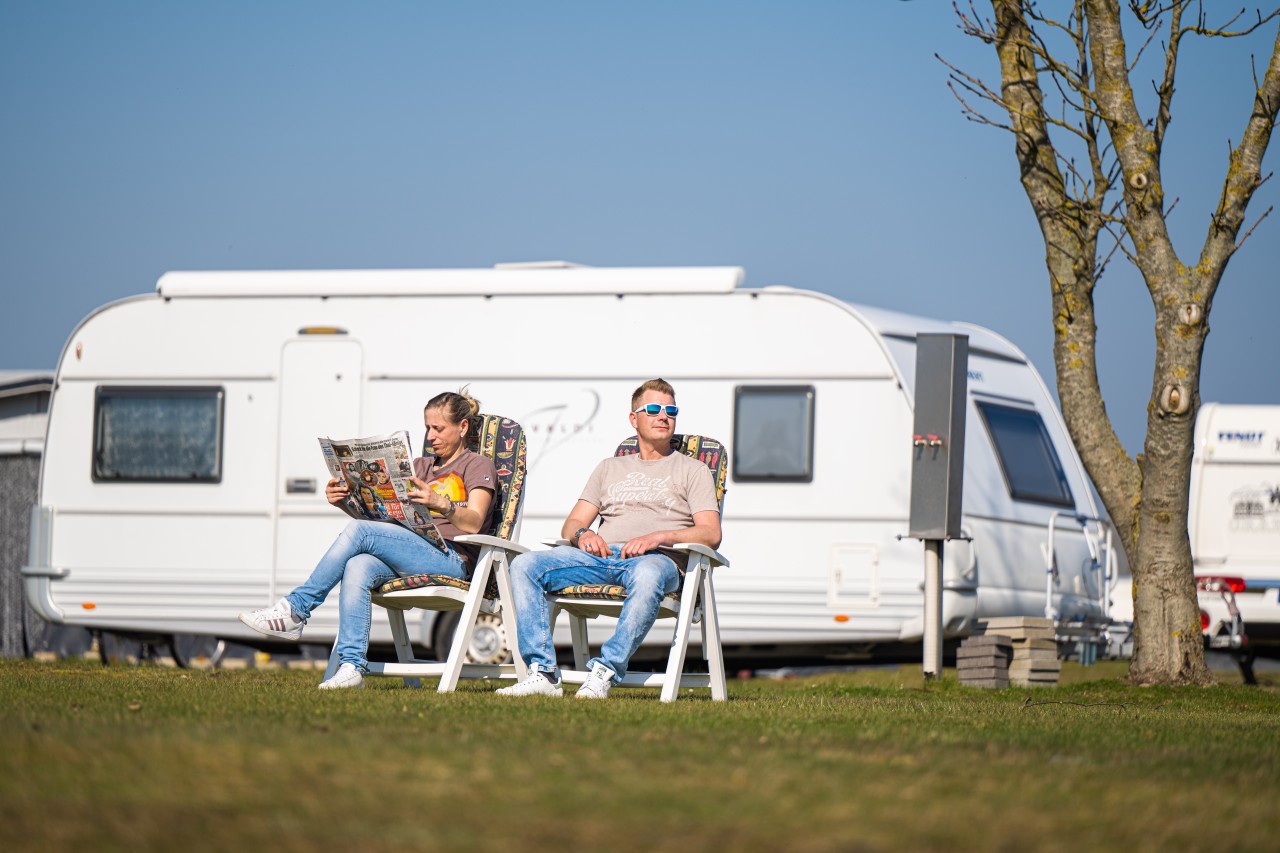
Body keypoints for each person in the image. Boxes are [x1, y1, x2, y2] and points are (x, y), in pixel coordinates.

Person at [238, 390, 497, 689]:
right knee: (358, 565)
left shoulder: (477, 465)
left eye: (438, 428)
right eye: (427, 427)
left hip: (454, 559)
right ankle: (352, 667)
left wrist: (439, 502)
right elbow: (385, 519)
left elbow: (476, 519)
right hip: (414, 551)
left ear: (462, 427)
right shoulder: (421, 466)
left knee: (361, 533)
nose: (431, 435)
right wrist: (345, 503)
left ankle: (296, 609)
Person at [497, 378, 721, 699]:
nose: (664, 416)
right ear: (634, 419)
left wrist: (660, 537)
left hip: (658, 561)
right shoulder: (609, 468)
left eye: (671, 410)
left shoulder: (693, 470)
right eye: (654, 409)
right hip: (601, 558)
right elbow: (572, 523)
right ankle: (543, 672)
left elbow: (711, 532)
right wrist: (582, 533)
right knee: (524, 565)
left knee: (646, 574)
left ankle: (605, 670)